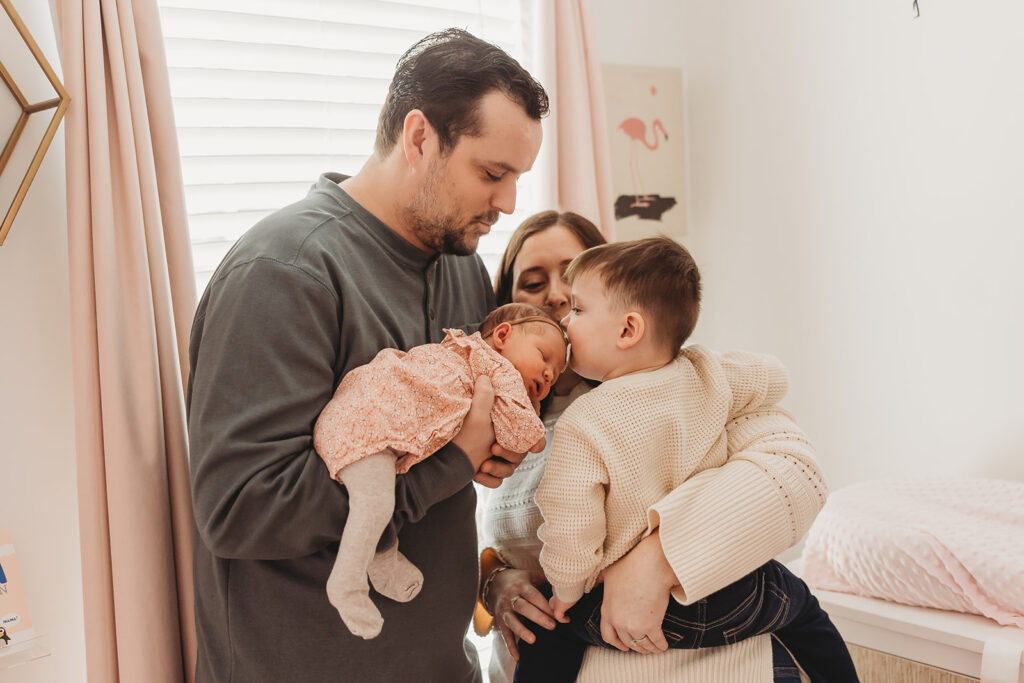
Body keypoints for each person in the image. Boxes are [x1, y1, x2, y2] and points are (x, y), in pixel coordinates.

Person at [187, 28, 548, 683]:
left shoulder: (460, 266)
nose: (507, 204)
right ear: (419, 139)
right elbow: (240, 507)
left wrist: (488, 450)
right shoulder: (285, 271)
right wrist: (451, 463)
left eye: (517, 178)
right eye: (492, 174)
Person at [479, 211, 833, 682]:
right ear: (508, 314)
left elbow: (797, 475)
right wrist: (492, 584)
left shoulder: (692, 383)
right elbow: (472, 543)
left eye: (572, 282)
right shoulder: (492, 422)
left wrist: (656, 561)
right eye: (532, 282)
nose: (558, 297)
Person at [313, 303, 566, 639]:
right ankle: (347, 583)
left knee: (377, 503)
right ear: (503, 336)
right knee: (373, 505)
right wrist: (532, 411)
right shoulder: (497, 370)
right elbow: (525, 439)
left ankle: (381, 559)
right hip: (369, 427)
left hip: (367, 422)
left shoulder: (465, 350)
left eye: (557, 374)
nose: (549, 373)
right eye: (544, 356)